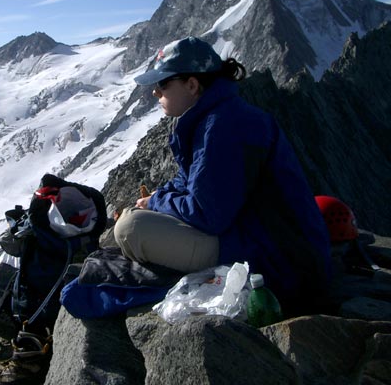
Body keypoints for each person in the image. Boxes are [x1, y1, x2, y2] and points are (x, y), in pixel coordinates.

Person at [114, 36, 332, 316]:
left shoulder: (223, 126)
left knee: (131, 229)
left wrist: (157, 203)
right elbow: (188, 182)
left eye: (163, 84)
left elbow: (207, 214)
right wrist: (158, 198)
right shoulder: (215, 117)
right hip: (263, 241)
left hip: (278, 262)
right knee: (138, 219)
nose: (156, 93)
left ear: (192, 85)